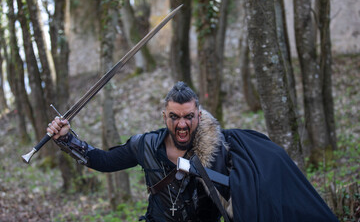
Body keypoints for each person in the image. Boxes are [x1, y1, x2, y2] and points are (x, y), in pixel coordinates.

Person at [47, 81, 339, 222]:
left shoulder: (222, 149)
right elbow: (102, 160)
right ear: (164, 117)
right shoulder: (144, 146)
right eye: (175, 116)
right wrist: (66, 138)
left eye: (189, 116)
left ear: (199, 115)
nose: (182, 124)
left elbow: (265, 173)